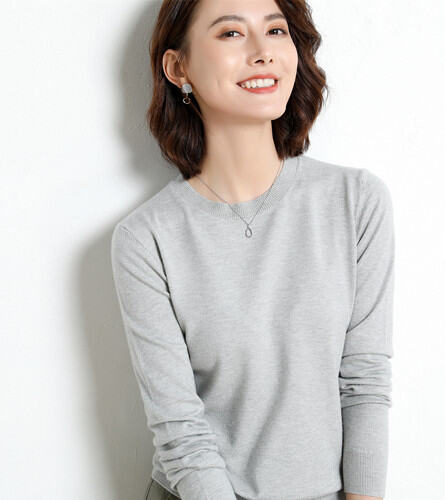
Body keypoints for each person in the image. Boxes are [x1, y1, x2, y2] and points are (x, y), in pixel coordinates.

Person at [110, 1, 395, 499]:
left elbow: (364, 383)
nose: (264, 52)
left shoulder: (356, 202)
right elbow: (180, 431)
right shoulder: (146, 238)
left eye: (277, 31)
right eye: (231, 33)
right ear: (178, 68)